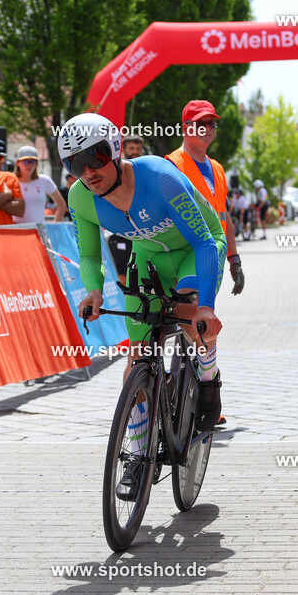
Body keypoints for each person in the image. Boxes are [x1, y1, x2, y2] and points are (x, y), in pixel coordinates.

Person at [60, 113, 226, 454]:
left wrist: (206, 307)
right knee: (138, 356)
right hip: (148, 257)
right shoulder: (79, 197)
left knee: (186, 310)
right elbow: (90, 256)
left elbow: (204, 243)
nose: (90, 173)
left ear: (117, 151)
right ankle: (136, 451)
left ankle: (209, 376)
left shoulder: (160, 178)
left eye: (98, 158)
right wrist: (93, 289)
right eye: (77, 165)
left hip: (197, 248)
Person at [165, 99, 244, 296]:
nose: (207, 128)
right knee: (190, 317)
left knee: (201, 318)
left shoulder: (217, 168)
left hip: (211, 257)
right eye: (201, 124)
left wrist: (234, 259)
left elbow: (223, 216)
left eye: (212, 124)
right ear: (185, 128)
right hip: (183, 258)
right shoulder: (173, 165)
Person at [106, 137, 144, 285]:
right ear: (124, 150)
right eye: (132, 149)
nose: (135, 152)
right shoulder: (115, 171)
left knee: (142, 277)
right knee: (122, 277)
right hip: (120, 233)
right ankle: (125, 306)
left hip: (143, 232)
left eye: (138, 149)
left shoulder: (144, 171)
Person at [14, 145, 66, 223]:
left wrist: (54, 226)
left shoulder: (44, 180)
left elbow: (62, 206)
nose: (29, 165)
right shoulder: (10, 180)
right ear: (17, 163)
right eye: (25, 161)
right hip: (15, 232)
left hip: (38, 232)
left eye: (33, 161)